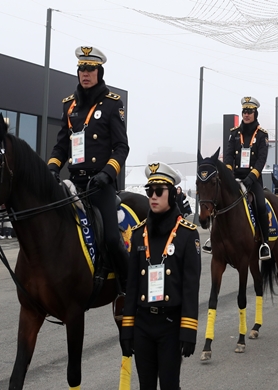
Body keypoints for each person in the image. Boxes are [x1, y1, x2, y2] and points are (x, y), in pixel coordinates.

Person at [48, 46, 130, 289]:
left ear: (99, 72)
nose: (85, 73)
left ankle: (126, 287)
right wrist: (52, 168)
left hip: (100, 184)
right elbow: (61, 146)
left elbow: (121, 147)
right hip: (74, 182)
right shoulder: (69, 106)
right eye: (82, 68)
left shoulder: (113, 104)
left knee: (113, 239)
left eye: (90, 69)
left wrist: (107, 173)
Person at [120, 161, 201, 390]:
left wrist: (189, 329)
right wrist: (127, 328)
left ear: (172, 194)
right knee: (146, 386)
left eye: (158, 191)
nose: (153, 197)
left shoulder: (187, 234)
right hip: (144, 324)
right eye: (149, 192)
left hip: (171, 325)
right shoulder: (138, 234)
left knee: (169, 385)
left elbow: (190, 286)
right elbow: (132, 286)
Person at [223, 96, 271, 259]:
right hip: (235, 179)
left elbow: (261, 159)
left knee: (260, 205)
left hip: (253, 180)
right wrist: (229, 173)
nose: (246, 115)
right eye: (244, 111)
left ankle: (264, 243)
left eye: (250, 111)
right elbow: (228, 155)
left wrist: (251, 177)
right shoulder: (234, 134)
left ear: (255, 113)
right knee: (220, 200)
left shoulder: (262, 135)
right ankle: (215, 238)